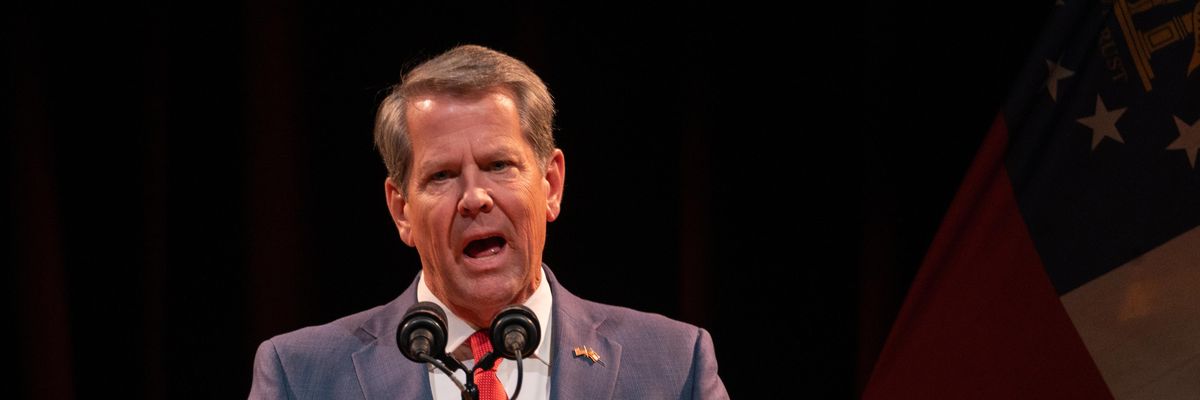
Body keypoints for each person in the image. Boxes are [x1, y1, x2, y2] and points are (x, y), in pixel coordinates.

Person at [249, 45, 728, 400]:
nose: (474, 198)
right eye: (442, 175)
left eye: (499, 166)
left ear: (551, 185)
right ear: (402, 210)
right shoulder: (301, 375)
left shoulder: (673, 363)